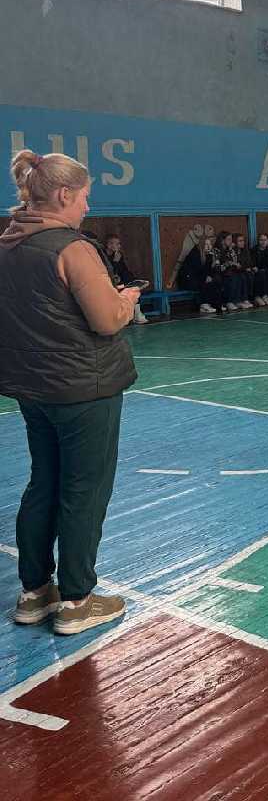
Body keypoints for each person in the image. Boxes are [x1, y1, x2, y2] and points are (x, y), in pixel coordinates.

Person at [0, 150, 141, 635]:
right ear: (63, 194)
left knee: (43, 483)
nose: (87, 206)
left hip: (32, 389)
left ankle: (34, 593)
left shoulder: (6, 245)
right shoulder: (72, 249)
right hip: (84, 389)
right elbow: (105, 321)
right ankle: (77, 600)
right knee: (84, 491)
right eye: (84, 196)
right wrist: (125, 301)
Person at [104, 234, 148, 324]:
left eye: (119, 244)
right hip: (107, 282)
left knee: (134, 287)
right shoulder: (103, 256)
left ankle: (137, 314)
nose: (119, 246)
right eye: (117, 244)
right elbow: (108, 271)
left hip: (121, 281)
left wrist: (132, 280)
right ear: (109, 245)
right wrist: (115, 262)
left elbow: (123, 270)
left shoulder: (118, 255)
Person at [178, 233, 222, 313]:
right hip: (188, 279)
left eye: (210, 244)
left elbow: (208, 271)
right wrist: (206, 276)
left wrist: (211, 271)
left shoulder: (208, 255)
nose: (209, 247)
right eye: (206, 244)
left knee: (214, 280)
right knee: (203, 282)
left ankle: (215, 303)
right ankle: (203, 305)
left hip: (198, 277)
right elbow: (197, 271)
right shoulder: (195, 253)